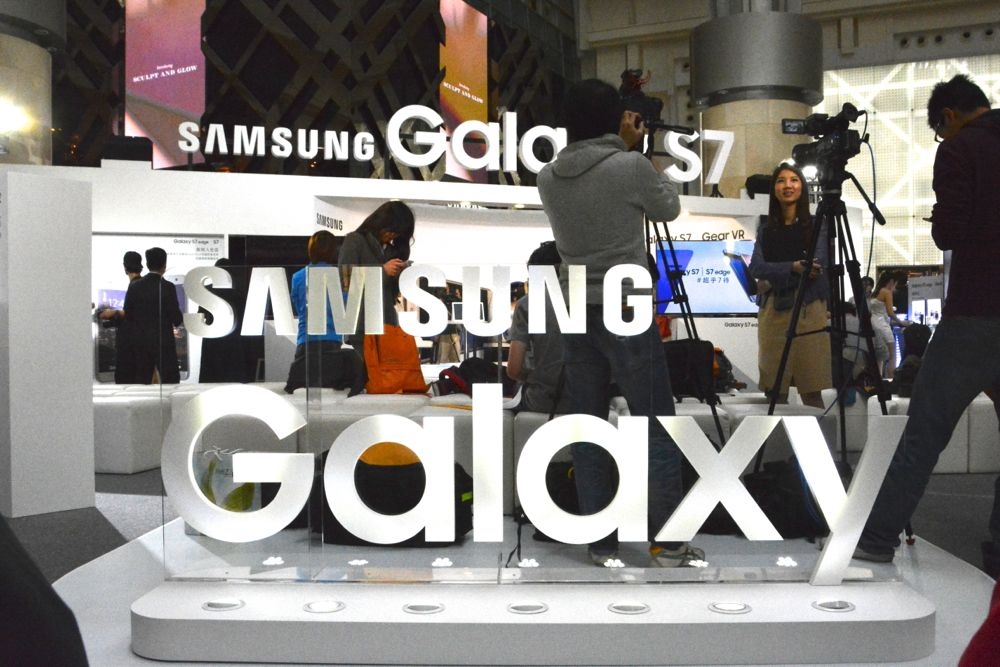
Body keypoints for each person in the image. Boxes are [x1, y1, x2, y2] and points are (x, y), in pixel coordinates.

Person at [536, 78, 703, 568]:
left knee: (587, 424)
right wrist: (636, 152)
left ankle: (599, 540)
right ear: (616, 118)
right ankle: (668, 541)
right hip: (625, 301)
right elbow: (668, 207)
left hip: (575, 303)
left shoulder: (548, 177)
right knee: (654, 421)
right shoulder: (630, 166)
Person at [856, 74, 1000, 571]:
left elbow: (950, 231)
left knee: (924, 433)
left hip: (974, 314)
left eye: (939, 130)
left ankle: (876, 538)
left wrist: (939, 220)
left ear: (949, 117)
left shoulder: (960, 150)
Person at [748, 161, 831, 409]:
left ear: (802, 187)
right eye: (781, 181)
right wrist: (793, 267)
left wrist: (773, 276)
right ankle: (777, 435)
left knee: (811, 388)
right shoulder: (766, 229)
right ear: (774, 189)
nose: (787, 185)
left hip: (809, 309)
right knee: (774, 390)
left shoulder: (817, 225)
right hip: (772, 312)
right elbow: (756, 267)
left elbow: (816, 266)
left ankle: (819, 435)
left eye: (794, 180)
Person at [285, 231, 365, 395]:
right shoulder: (341, 277)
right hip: (332, 344)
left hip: (305, 345)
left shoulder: (297, 277)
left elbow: (299, 307)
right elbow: (348, 308)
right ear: (334, 251)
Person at [505, 241, 571, 414]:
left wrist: (540, 376)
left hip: (543, 401)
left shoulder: (527, 304)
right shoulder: (592, 301)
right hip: (587, 401)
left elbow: (513, 370)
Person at [337, 200, 415, 345]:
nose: (393, 236)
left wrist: (400, 275)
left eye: (397, 234)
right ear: (382, 223)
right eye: (392, 231)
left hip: (387, 324)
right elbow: (345, 280)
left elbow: (391, 295)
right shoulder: (355, 241)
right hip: (361, 326)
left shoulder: (391, 250)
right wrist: (383, 271)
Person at [119, 247, 183, 384]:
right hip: (164, 342)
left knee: (142, 382)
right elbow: (177, 319)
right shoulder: (168, 287)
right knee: (170, 382)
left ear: (147, 264)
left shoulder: (135, 286)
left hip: (141, 343)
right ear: (164, 265)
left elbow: (128, 314)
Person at [98, 251, 143, 383]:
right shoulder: (141, 284)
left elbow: (129, 314)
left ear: (125, 267)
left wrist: (112, 314)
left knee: (125, 379)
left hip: (129, 346)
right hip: (140, 345)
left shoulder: (135, 285)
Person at [869, 270, 909, 378]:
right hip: (883, 326)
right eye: (895, 283)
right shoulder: (887, 292)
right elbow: (890, 313)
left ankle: (878, 380)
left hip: (873, 324)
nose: (895, 286)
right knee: (892, 356)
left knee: (879, 357)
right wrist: (901, 322)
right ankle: (891, 379)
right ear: (891, 281)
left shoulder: (875, 293)